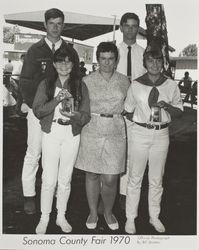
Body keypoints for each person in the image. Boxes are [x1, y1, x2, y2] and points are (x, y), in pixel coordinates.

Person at [19, 8, 79, 215]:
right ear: (45, 25)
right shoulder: (35, 50)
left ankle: (56, 195)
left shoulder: (71, 52)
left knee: (58, 155)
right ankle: (29, 196)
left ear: (63, 25)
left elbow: (77, 80)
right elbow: (25, 81)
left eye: (59, 23)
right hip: (39, 111)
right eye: (51, 23)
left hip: (63, 112)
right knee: (34, 152)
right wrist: (33, 105)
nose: (55, 27)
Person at [124, 43, 183, 234]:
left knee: (157, 179)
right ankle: (130, 218)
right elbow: (128, 110)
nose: (155, 64)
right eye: (150, 60)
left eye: (158, 60)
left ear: (163, 63)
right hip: (140, 134)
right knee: (135, 178)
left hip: (161, 135)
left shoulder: (171, 84)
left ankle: (154, 217)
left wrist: (167, 107)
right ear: (145, 63)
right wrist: (139, 125)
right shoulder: (136, 84)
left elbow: (180, 112)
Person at [32, 46, 90, 234]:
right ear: (54, 64)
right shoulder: (46, 84)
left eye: (68, 61)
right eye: (60, 61)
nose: (64, 65)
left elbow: (86, 116)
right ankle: (44, 217)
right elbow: (38, 110)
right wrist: (56, 100)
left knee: (65, 179)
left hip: (71, 134)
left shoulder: (80, 85)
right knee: (49, 178)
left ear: (73, 64)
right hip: (52, 131)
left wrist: (74, 114)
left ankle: (61, 216)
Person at [75, 42, 130, 230]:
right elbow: (80, 106)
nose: (107, 63)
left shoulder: (124, 81)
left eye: (111, 58)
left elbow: (130, 107)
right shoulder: (87, 81)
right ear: (98, 59)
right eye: (103, 58)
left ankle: (107, 211)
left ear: (116, 60)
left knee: (110, 178)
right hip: (92, 128)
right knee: (91, 173)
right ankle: (92, 212)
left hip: (115, 130)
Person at [117, 12, 146, 206]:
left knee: (132, 154)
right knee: (115, 151)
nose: (130, 29)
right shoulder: (113, 51)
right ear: (120, 27)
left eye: (134, 26)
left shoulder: (144, 53)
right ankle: (111, 191)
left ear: (138, 28)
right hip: (116, 109)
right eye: (126, 25)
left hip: (137, 111)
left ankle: (125, 195)